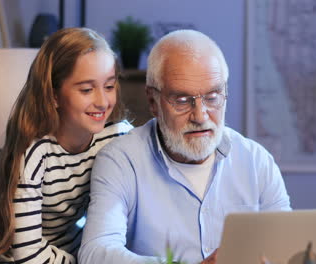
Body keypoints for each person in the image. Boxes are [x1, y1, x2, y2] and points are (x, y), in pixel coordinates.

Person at [79, 29, 290, 264]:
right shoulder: (120, 160)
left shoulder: (256, 161)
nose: (200, 116)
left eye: (212, 97)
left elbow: (285, 246)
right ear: (153, 102)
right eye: (181, 100)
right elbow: (95, 253)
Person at [0, 27, 133, 263]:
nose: (102, 102)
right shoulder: (34, 153)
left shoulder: (116, 136)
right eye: (86, 89)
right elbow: (27, 254)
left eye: (109, 86)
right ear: (53, 96)